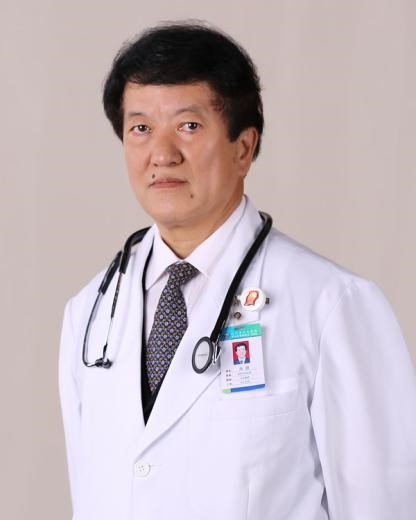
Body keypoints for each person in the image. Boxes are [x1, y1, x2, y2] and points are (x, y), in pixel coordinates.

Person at [59, 21, 416, 520]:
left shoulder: (331, 304)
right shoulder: (91, 315)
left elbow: (385, 505)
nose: (162, 154)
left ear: (243, 148)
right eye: (140, 128)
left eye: (188, 126)